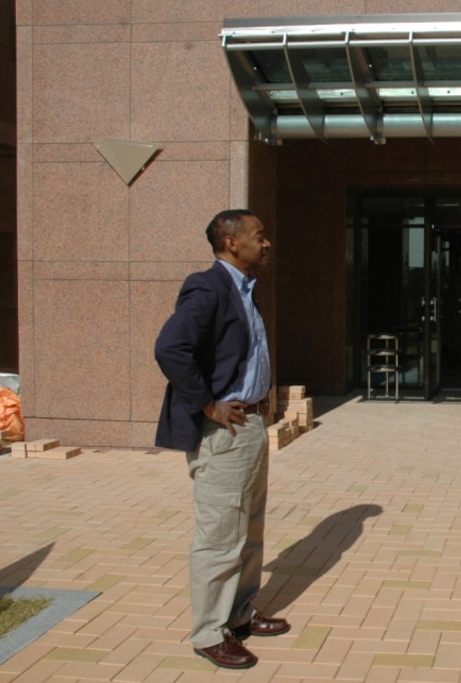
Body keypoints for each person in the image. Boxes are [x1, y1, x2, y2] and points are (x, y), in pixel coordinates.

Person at [154, 210, 290, 670]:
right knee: (219, 536)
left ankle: (240, 613)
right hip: (223, 431)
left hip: (248, 427)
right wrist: (208, 404)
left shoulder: (245, 289)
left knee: (248, 529)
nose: (266, 243)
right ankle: (209, 632)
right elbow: (170, 347)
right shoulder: (208, 286)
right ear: (231, 242)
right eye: (259, 235)